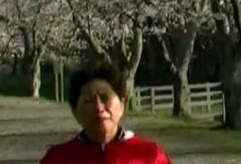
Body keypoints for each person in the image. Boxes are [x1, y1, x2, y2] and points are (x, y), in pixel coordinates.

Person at [40, 65, 171, 164]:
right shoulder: (57, 159)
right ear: (75, 112)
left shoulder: (151, 155)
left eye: (105, 98)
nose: (99, 107)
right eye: (88, 101)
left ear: (121, 105)